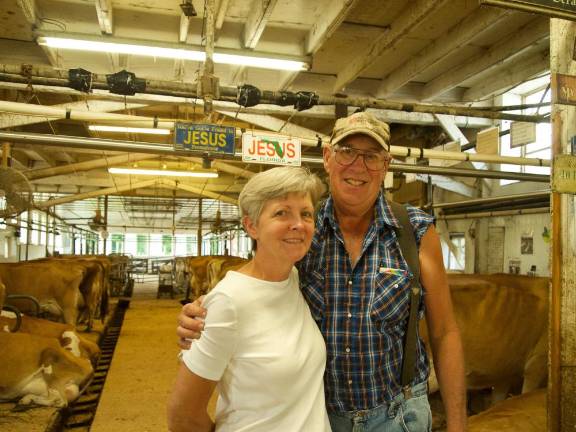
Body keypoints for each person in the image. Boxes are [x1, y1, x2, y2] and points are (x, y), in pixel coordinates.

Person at [177, 112, 467, 432]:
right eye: (347, 152)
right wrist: (206, 310)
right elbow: (258, 283)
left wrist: (457, 424)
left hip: (398, 416)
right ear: (328, 158)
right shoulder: (301, 234)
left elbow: (444, 333)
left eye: (371, 156)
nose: (358, 166)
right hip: (322, 418)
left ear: (386, 165)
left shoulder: (416, 233)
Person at [167, 167, 330, 432]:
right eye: (281, 212)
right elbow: (182, 415)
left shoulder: (294, 279)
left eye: (306, 214)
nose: (298, 224)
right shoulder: (227, 302)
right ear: (252, 226)